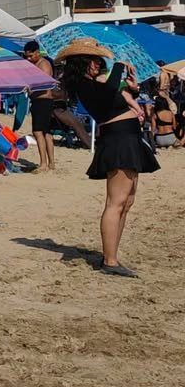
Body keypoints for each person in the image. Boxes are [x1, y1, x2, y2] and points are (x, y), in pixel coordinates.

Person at [58, 38, 159, 278]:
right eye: (95, 61)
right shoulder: (84, 85)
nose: (98, 65)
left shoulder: (93, 83)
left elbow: (113, 93)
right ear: (84, 63)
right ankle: (110, 260)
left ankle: (112, 254)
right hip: (118, 141)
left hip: (127, 138)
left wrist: (132, 89)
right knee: (116, 202)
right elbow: (105, 97)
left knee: (127, 201)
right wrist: (118, 66)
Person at [23, 41, 56, 171]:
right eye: (27, 56)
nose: (28, 58)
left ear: (38, 52)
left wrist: (30, 90)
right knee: (46, 132)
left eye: (31, 56)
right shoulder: (35, 64)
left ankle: (43, 163)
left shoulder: (44, 64)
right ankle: (51, 163)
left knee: (38, 132)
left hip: (43, 101)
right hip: (40, 101)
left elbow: (45, 84)